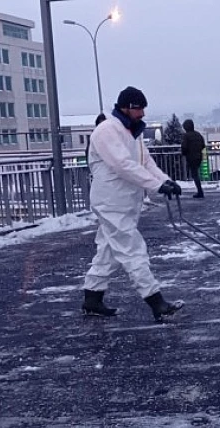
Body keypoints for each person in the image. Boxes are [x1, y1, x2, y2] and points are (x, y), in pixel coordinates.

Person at [82, 86, 184, 321]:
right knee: (132, 250)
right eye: (139, 109)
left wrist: (167, 181)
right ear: (126, 107)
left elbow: (146, 163)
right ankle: (156, 302)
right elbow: (122, 165)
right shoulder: (106, 131)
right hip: (111, 202)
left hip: (125, 202)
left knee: (108, 251)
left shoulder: (131, 133)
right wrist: (156, 186)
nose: (143, 114)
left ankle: (92, 299)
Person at [180, 119, 206, 198]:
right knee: (196, 174)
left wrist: (184, 153)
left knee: (195, 175)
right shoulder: (198, 134)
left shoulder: (186, 136)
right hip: (199, 156)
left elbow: (184, 147)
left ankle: (200, 192)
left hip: (191, 157)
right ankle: (200, 191)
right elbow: (203, 145)